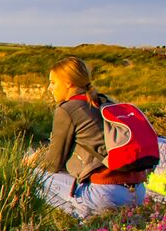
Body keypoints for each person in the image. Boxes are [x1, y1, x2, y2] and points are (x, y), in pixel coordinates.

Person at [29, 56, 147, 219]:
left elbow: (53, 164)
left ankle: (80, 218)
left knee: (32, 176)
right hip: (138, 192)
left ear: (68, 82)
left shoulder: (68, 109)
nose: (50, 88)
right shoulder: (105, 102)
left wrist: (32, 162)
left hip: (106, 193)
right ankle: (97, 218)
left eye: (53, 82)